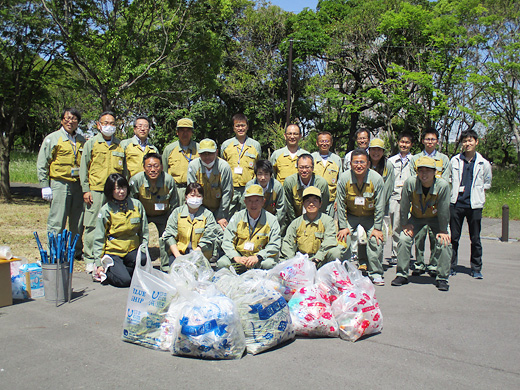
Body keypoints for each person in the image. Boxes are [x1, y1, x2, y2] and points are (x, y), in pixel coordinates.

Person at [391, 157, 452, 291]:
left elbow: (444, 210)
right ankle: (402, 274)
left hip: (436, 218)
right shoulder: (410, 183)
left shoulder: (443, 186)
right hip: (417, 217)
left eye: (428, 171)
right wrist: (405, 224)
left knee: (445, 242)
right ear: (416, 171)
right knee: (403, 238)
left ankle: (442, 277)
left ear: (435, 172)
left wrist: (443, 230)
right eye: (421, 170)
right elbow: (405, 205)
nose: (424, 174)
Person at [80, 111, 126, 274]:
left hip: (113, 193)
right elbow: (83, 168)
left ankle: (106, 255)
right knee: (92, 225)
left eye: (112, 123)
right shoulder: (91, 143)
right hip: (96, 191)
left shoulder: (120, 146)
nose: (109, 126)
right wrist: (86, 190)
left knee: (112, 225)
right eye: (105, 123)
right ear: (99, 125)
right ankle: (90, 259)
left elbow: (124, 172)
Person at [36, 108, 85, 257]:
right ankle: (55, 252)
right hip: (59, 183)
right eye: (67, 118)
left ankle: (75, 251)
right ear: (62, 120)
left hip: (77, 184)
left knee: (78, 221)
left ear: (78, 122)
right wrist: (45, 185)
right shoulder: (53, 138)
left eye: (74, 119)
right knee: (57, 220)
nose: (70, 121)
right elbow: (42, 162)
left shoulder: (82, 140)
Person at [336, 149, 385, 285]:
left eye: (362, 162)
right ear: (350, 164)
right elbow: (340, 204)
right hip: (351, 215)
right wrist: (343, 226)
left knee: (376, 240)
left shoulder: (376, 179)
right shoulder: (344, 178)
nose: (359, 165)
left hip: (369, 216)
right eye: (355, 162)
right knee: (343, 239)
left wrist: (377, 228)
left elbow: (380, 205)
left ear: (368, 164)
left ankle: (376, 273)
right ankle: (343, 273)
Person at [92, 173, 149, 287]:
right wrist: (98, 263)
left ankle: (122, 270)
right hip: (114, 252)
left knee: (143, 260)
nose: (121, 192)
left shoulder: (136, 205)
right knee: (125, 281)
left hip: (132, 249)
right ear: (110, 190)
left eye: (123, 188)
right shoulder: (106, 210)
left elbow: (144, 231)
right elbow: (99, 238)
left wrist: (144, 249)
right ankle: (107, 272)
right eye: (117, 189)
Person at [449, 130, 492, 278]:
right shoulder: (454, 161)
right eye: (465, 141)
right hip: (456, 203)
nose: (467, 144)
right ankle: (451, 266)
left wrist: (477, 194)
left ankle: (476, 268)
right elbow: (449, 178)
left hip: (474, 205)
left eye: (470, 141)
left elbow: (487, 182)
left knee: (475, 238)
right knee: (454, 237)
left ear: (476, 142)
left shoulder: (483, 163)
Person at [409, 129, 451, 276]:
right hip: (419, 198)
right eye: (427, 139)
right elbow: (412, 179)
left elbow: (445, 179)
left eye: (433, 139)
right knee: (420, 234)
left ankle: (433, 265)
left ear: (437, 141)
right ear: (423, 141)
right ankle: (419, 263)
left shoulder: (444, 159)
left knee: (435, 236)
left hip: (436, 198)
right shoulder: (415, 158)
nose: (430, 142)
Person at [129, 153, 179, 270]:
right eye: (149, 166)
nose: (152, 170)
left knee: (166, 237)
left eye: (156, 166)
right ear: (143, 167)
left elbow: (174, 203)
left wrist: (171, 222)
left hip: (163, 215)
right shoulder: (136, 180)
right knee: (140, 238)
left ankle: (166, 266)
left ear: (161, 167)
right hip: (143, 215)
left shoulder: (168, 180)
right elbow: (132, 202)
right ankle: (140, 264)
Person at [217, 184, 281, 274]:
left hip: (259, 259)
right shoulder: (237, 217)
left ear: (263, 202)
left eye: (257, 200)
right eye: (250, 201)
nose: (253, 204)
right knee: (222, 263)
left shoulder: (271, 220)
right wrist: (236, 257)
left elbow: (275, 244)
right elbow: (227, 241)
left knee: (269, 264)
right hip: (240, 258)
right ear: (245, 202)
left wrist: (258, 257)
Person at [187, 138, 233, 257]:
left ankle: (220, 256)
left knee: (221, 231)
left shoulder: (224, 166)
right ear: (199, 153)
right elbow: (192, 190)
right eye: (203, 154)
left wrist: (221, 216)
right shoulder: (193, 166)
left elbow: (227, 192)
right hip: (200, 207)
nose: (207, 157)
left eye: (210, 153)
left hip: (219, 207)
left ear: (216, 152)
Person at [282, 187, 347, 268]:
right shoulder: (296, 223)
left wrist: (317, 259)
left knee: (336, 252)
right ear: (303, 204)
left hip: (320, 261)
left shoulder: (327, 221)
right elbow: (287, 244)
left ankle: (331, 276)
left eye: (315, 201)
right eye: (308, 201)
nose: (311, 204)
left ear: (320, 204)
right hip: (302, 261)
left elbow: (329, 242)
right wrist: (292, 262)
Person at [162, 182, 217, 271]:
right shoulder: (177, 212)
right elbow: (169, 235)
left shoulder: (207, 214)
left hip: (199, 255)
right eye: (192, 195)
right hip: (180, 253)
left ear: (203, 198)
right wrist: (178, 256)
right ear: (186, 196)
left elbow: (210, 235)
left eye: (198, 196)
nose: (195, 199)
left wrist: (198, 251)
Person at [221, 113, 261, 215]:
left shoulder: (255, 145)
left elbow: (258, 166)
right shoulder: (226, 145)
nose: (240, 128)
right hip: (230, 187)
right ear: (233, 128)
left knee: (247, 214)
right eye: (237, 126)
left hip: (248, 188)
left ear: (247, 127)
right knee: (228, 214)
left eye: (243, 125)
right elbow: (222, 166)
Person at [388, 131, 414, 265]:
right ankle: (395, 253)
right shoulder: (391, 161)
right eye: (402, 142)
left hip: (410, 198)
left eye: (407, 142)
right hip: (394, 197)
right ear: (398, 143)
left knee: (409, 227)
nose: (404, 145)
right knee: (396, 227)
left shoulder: (414, 161)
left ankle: (407, 254)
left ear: (411, 144)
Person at [283, 154, 330, 229]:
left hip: (316, 221)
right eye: (301, 167)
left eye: (307, 167)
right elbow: (289, 208)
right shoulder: (289, 182)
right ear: (297, 168)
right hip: (294, 221)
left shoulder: (321, 183)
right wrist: (297, 225)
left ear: (313, 168)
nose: (304, 170)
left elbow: (323, 207)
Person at [162, 118, 199, 200]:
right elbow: (163, 173)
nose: (185, 133)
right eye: (182, 130)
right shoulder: (169, 149)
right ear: (177, 132)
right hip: (175, 190)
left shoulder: (199, 149)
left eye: (188, 130)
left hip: (194, 190)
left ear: (192, 132)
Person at [243, 160, 286, 226]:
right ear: (256, 175)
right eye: (260, 174)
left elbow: (281, 210)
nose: (263, 178)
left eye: (266, 174)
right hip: (253, 221)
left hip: (272, 222)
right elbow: (244, 207)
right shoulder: (250, 186)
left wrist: (273, 225)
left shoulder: (277, 187)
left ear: (270, 175)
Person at [312, 131, 343, 216]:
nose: (324, 144)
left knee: (328, 224)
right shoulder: (312, 158)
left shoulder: (337, 159)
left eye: (327, 141)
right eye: (322, 141)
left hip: (330, 201)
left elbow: (340, 182)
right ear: (317, 143)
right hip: (314, 199)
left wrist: (337, 200)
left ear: (331, 143)